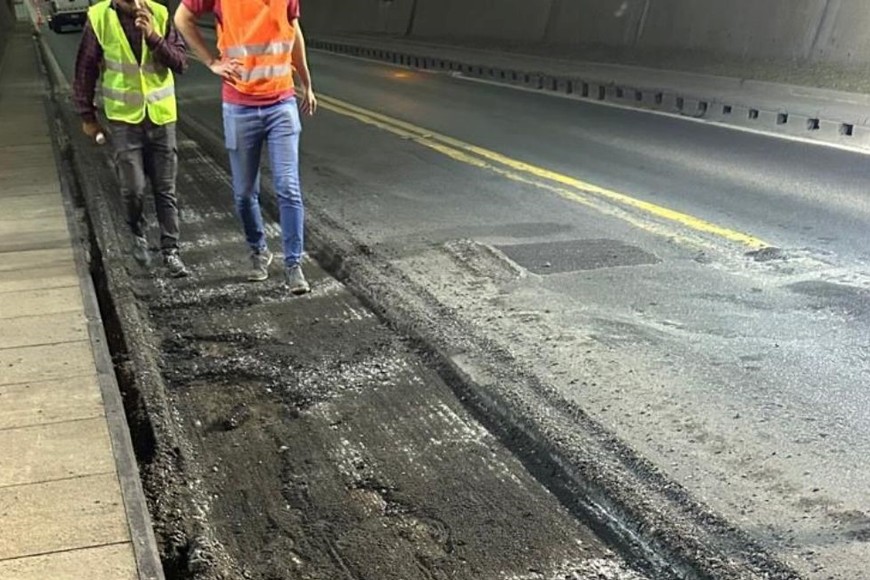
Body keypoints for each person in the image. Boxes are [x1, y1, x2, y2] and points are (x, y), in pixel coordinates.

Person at [174, 0, 316, 294]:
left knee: (288, 187)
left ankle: (293, 265)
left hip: (281, 104)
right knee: (243, 192)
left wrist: (306, 82)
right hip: (240, 107)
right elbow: (182, 18)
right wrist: (212, 61)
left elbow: (294, 30)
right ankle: (258, 250)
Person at [73, 0, 190, 277]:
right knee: (133, 188)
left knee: (165, 189)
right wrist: (87, 117)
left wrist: (153, 36)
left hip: (161, 117)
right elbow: (85, 70)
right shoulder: (99, 17)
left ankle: (171, 251)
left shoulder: (158, 14)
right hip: (125, 120)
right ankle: (137, 232)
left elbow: (181, 62)